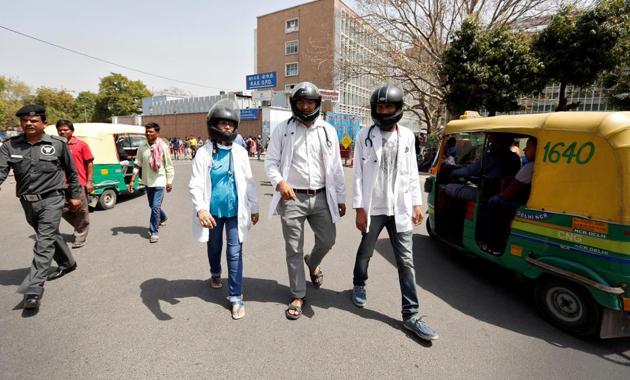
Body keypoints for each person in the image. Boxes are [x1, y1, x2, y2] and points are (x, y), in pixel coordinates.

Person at [350, 85, 439, 341]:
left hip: (398, 208)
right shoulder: (363, 135)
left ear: (398, 109)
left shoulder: (408, 136)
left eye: (389, 107)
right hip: (374, 207)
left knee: (406, 262)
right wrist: (359, 208)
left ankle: (411, 315)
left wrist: (416, 203)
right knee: (366, 251)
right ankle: (359, 283)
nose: (384, 111)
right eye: (380, 107)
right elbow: (357, 176)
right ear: (374, 109)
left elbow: (411, 172)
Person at [265, 81, 346, 320]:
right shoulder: (283, 129)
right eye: (301, 102)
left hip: (321, 195)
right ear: (294, 104)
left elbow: (336, 167)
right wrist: (280, 183)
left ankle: (313, 262)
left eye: (310, 102)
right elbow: (271, 162)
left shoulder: (327, 130)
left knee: (328, 239)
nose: (306, 106)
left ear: (317, 104)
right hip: (292, 197)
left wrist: (340, 197)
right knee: (293, 249)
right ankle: (298, 294)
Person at [0, 105, 82, 310]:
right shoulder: (10, 146)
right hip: (27, 202)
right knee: (50, 234)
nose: (28, 123)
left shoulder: (58, 144)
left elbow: (71, 172)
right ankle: (68, 263)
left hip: (52, 199)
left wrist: (75, 196)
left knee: (43, 242)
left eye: (34, 120)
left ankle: (34, 289)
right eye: (24, 120)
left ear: (44, 123)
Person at [189, 99, 259, 320]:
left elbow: (249, 181)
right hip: (212, 213)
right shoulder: (204, 153)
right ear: (213, 125)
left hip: (235, 212)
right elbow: (196, 183)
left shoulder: (240, 152)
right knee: (214, 245)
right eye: (223, 123)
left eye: (231, 124)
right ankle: (215, 273)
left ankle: (236, 297)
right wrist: (201, 209)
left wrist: (254, 206)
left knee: (234, 252)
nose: (228, 127)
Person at [483, 137, 537, 254]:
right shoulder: (528, 163)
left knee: (494, 201)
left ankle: (493, 245)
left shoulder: (530, 167)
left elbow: (507, 194)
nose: (525, 149)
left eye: (528, 147)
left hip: (521, 204)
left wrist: (502, 188)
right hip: (526, 201)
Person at [128, 123, 175, 243]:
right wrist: (132, 180)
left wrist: (169, 181)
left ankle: (154, 231)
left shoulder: (163, 146)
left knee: (155, 206)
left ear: (157, 133)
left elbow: (169, 165)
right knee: (153, 206)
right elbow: (138, 164)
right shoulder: (142, 147)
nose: (148, 134)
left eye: (151, 132)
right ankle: (162, 217)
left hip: (160, 180)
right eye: (147, 131)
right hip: (147, 181)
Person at [445, 133, 521, 201]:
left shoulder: (492, 157)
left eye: (492, 141)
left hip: (486, 194)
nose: (490, 144)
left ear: (497, 142)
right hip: (505, 193)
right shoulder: (515, 157)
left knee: (448, 187)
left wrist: (453, 172)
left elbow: (469, 171)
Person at [56, 120, 94, 248]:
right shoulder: (56, 145)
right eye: (60, 130)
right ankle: (81, 226)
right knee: (62, 209)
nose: (62, 132)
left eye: (65, 129)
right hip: (60, 184)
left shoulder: (81, 145)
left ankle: (80, 236)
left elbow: (89, 164)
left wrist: (89, 182)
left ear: (72, 131)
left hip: (78, 183)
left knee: (81, 211)